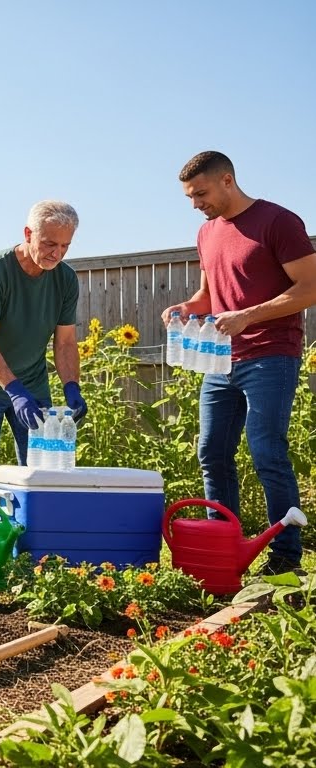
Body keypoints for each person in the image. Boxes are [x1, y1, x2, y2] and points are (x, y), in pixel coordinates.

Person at [163, 151, 316, 575]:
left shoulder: (278, 221)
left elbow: (309, 288)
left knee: (266, 449)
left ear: (227, 180)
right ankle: (221, 546)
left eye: (201, 193)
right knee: (211, 451)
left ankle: (286, 557)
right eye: (190, 197)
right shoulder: (207, 232)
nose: (195, 203)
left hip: (271, 353)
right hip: (221, 361)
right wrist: (187, 308)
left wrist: (247, 315)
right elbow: (209, 297)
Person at [0, 201, 84, 512]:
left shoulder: (65, 280)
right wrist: (13, 391)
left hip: (32, 380)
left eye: (65, 245)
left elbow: (65, 342)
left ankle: (33, 545)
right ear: (28, 233)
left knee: (40, 464)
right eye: (49, 243)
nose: (57, 253)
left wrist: (72, 386)